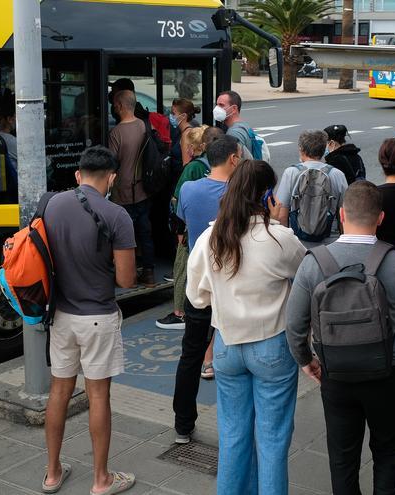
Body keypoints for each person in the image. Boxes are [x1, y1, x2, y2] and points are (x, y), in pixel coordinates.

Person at [286, 181, 395, 495]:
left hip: (336, 375)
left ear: (341, 214)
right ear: (381, 218)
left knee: (342, 458)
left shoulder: (314, 263)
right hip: (388, 376)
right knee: (388, 456)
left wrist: (307, 361)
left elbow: (294, 325)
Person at [186, 160, 306, 495]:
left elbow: (196, 298)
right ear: (268, 196)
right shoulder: (279, 238)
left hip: (226, 345)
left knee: (233, 436)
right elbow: (308, 280)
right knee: (272, 440)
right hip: (272, 346)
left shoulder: (212, 237)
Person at [43, 146, 137, 495]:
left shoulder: (52, 204)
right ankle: (101, 479)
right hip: (98, 315)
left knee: (59, 392)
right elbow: (126, 280)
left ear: (78, 175)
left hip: (61, 315)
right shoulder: (116, 216)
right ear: (111, 177)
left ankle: (52, 473)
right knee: (98, 396)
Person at [172, 135, 243, 444]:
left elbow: (180, 226)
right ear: (231, 159)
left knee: (191, 354)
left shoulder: (189, 188)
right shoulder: (239, 193)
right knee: (235, 353)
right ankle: (235, 426)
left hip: (199, 281)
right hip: (232, 283)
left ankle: (183, 424)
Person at [155, 125, 215, 331]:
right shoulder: (213, 163)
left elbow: (177, 200)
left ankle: (180, 312)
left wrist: (178, 229)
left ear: (192, 147)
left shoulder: (192, 168)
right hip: (210, 226)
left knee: (181, 268)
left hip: (190, 227)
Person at [109, 89, 156, 286]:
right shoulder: (144, 126)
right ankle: (149, 273)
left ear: (119, 106)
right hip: (144, 189)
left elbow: (111, 162)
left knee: (124, 236)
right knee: (145, 231)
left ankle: (128, 275)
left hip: (123, 192)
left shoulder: (116, 132)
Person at [274, 130, 349, 246]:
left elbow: (282, 214)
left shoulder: (291, 173)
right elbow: (344, 214)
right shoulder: (337, 174)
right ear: (324, 150)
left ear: (301, 150)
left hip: (299, 243)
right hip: (330, 242)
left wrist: (286, 244)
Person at [215, 90, 256, 158]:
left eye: (221, 105)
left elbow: (235, 162)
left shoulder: (233, 134)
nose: (217, 109)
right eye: (217, 105)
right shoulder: (244, 126)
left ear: (234, 109)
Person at [170, 98, 199, 170]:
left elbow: (186, 165)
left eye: (173, 113)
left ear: (183, 116)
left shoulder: (186, 135)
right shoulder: (183, 132)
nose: (171, 116)